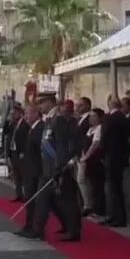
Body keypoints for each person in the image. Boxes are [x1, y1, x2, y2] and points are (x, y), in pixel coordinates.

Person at [18, 93, 80, 242]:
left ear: (50, 102)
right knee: (43, 200)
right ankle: (37, 229)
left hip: (58, 167)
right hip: (47, 167)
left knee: (66, 200)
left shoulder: (58, 120)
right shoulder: (50, 120)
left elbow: (61, 145)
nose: (40, 106)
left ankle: (74, 231)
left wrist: (59, 165)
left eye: (42, 102)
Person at [101, 95, 130, 227]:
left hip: (112, 157)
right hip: (120, 156)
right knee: (115, 188)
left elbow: (104, 137)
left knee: (113, 189)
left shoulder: (110, 118)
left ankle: (116, 216)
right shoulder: (123, 118)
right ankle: (116, 215)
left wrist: (102, 153)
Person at [82, 108, 106, 220]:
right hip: (89, 161)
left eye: (93, 116)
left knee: (97, 186)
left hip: (96, 160)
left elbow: (95, 144)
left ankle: (100, 210)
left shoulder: (100, 128)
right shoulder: (90, 129)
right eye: (90, 116)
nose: (91, 119)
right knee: (90, 184)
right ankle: (93, 207)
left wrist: (87, 155)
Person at [6, 105, 30, 200]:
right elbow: (7, 134)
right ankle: (18, 194)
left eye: (15, 113)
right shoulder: (13, 124)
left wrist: (24, 151)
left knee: (22, 174)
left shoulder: (25, 125)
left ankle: (25, 194)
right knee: (15, 174)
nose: (13, 115)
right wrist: (8, 120)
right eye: (12, 113)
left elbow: (26, 140)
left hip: (21, 152)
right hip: (13, 151)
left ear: (20, 113)